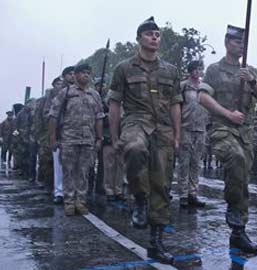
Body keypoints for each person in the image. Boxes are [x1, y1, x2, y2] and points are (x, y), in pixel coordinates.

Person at [108, 17, 181, 264]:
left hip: (163, 128)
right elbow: (115, 104)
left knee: (162, 184)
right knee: (135, 148)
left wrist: (177, 134)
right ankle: (139, 198)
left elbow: (175, 104)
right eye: (149, 34)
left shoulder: (170, 70)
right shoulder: (124, 68)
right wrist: (116, 137)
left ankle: (156, 243)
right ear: (139, 38)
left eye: (157, 34)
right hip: (136, 121)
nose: (154, 38)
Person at [199, 25, 257, 254]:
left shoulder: (248, 71)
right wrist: (228, 114)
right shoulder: (214, 69)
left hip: (245, 133)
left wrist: (252, 81)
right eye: (238, 41)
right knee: (236, 159)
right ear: (227, 42)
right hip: (222, 128)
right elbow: (202, 97)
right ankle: (232, 209)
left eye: (244, 42)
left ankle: (238, 232)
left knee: (242, 180)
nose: (241, 45)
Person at [49, 63, 104, 216]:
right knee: (68, 171)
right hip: (68, 139)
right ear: (75, 75)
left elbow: (99, 117)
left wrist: (99, 138)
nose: (86, 75)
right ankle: (69, 202)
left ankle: (80, 201)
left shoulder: (95, 95)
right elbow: (53, 116)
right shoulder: (65, 93)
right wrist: (53, 138)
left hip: (88, 140)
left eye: (88, 73)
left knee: (84, 172)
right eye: (82, 73)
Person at [177, 60, 210, 208]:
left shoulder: (205, 88)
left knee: (196, 163)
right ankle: (183, 194)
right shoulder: (183, 86)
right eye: (196, 69)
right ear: (190, 71)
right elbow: (176, 107)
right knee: (184, 163)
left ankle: (193, 193)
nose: (198, 72)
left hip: (201, 129)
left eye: (200, 69)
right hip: (185, 128)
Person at [45, 68, 75, 204]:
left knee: (76, 165)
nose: (73, 76)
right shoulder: (56, 93)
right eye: (70, 74)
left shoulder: (82, 90)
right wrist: (52, 136)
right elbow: (48, 114)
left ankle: (73, 192)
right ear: (64, 76)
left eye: (75, 73)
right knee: (60, 166)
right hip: (61, 132)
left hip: (77, 133)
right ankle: (59, 192)